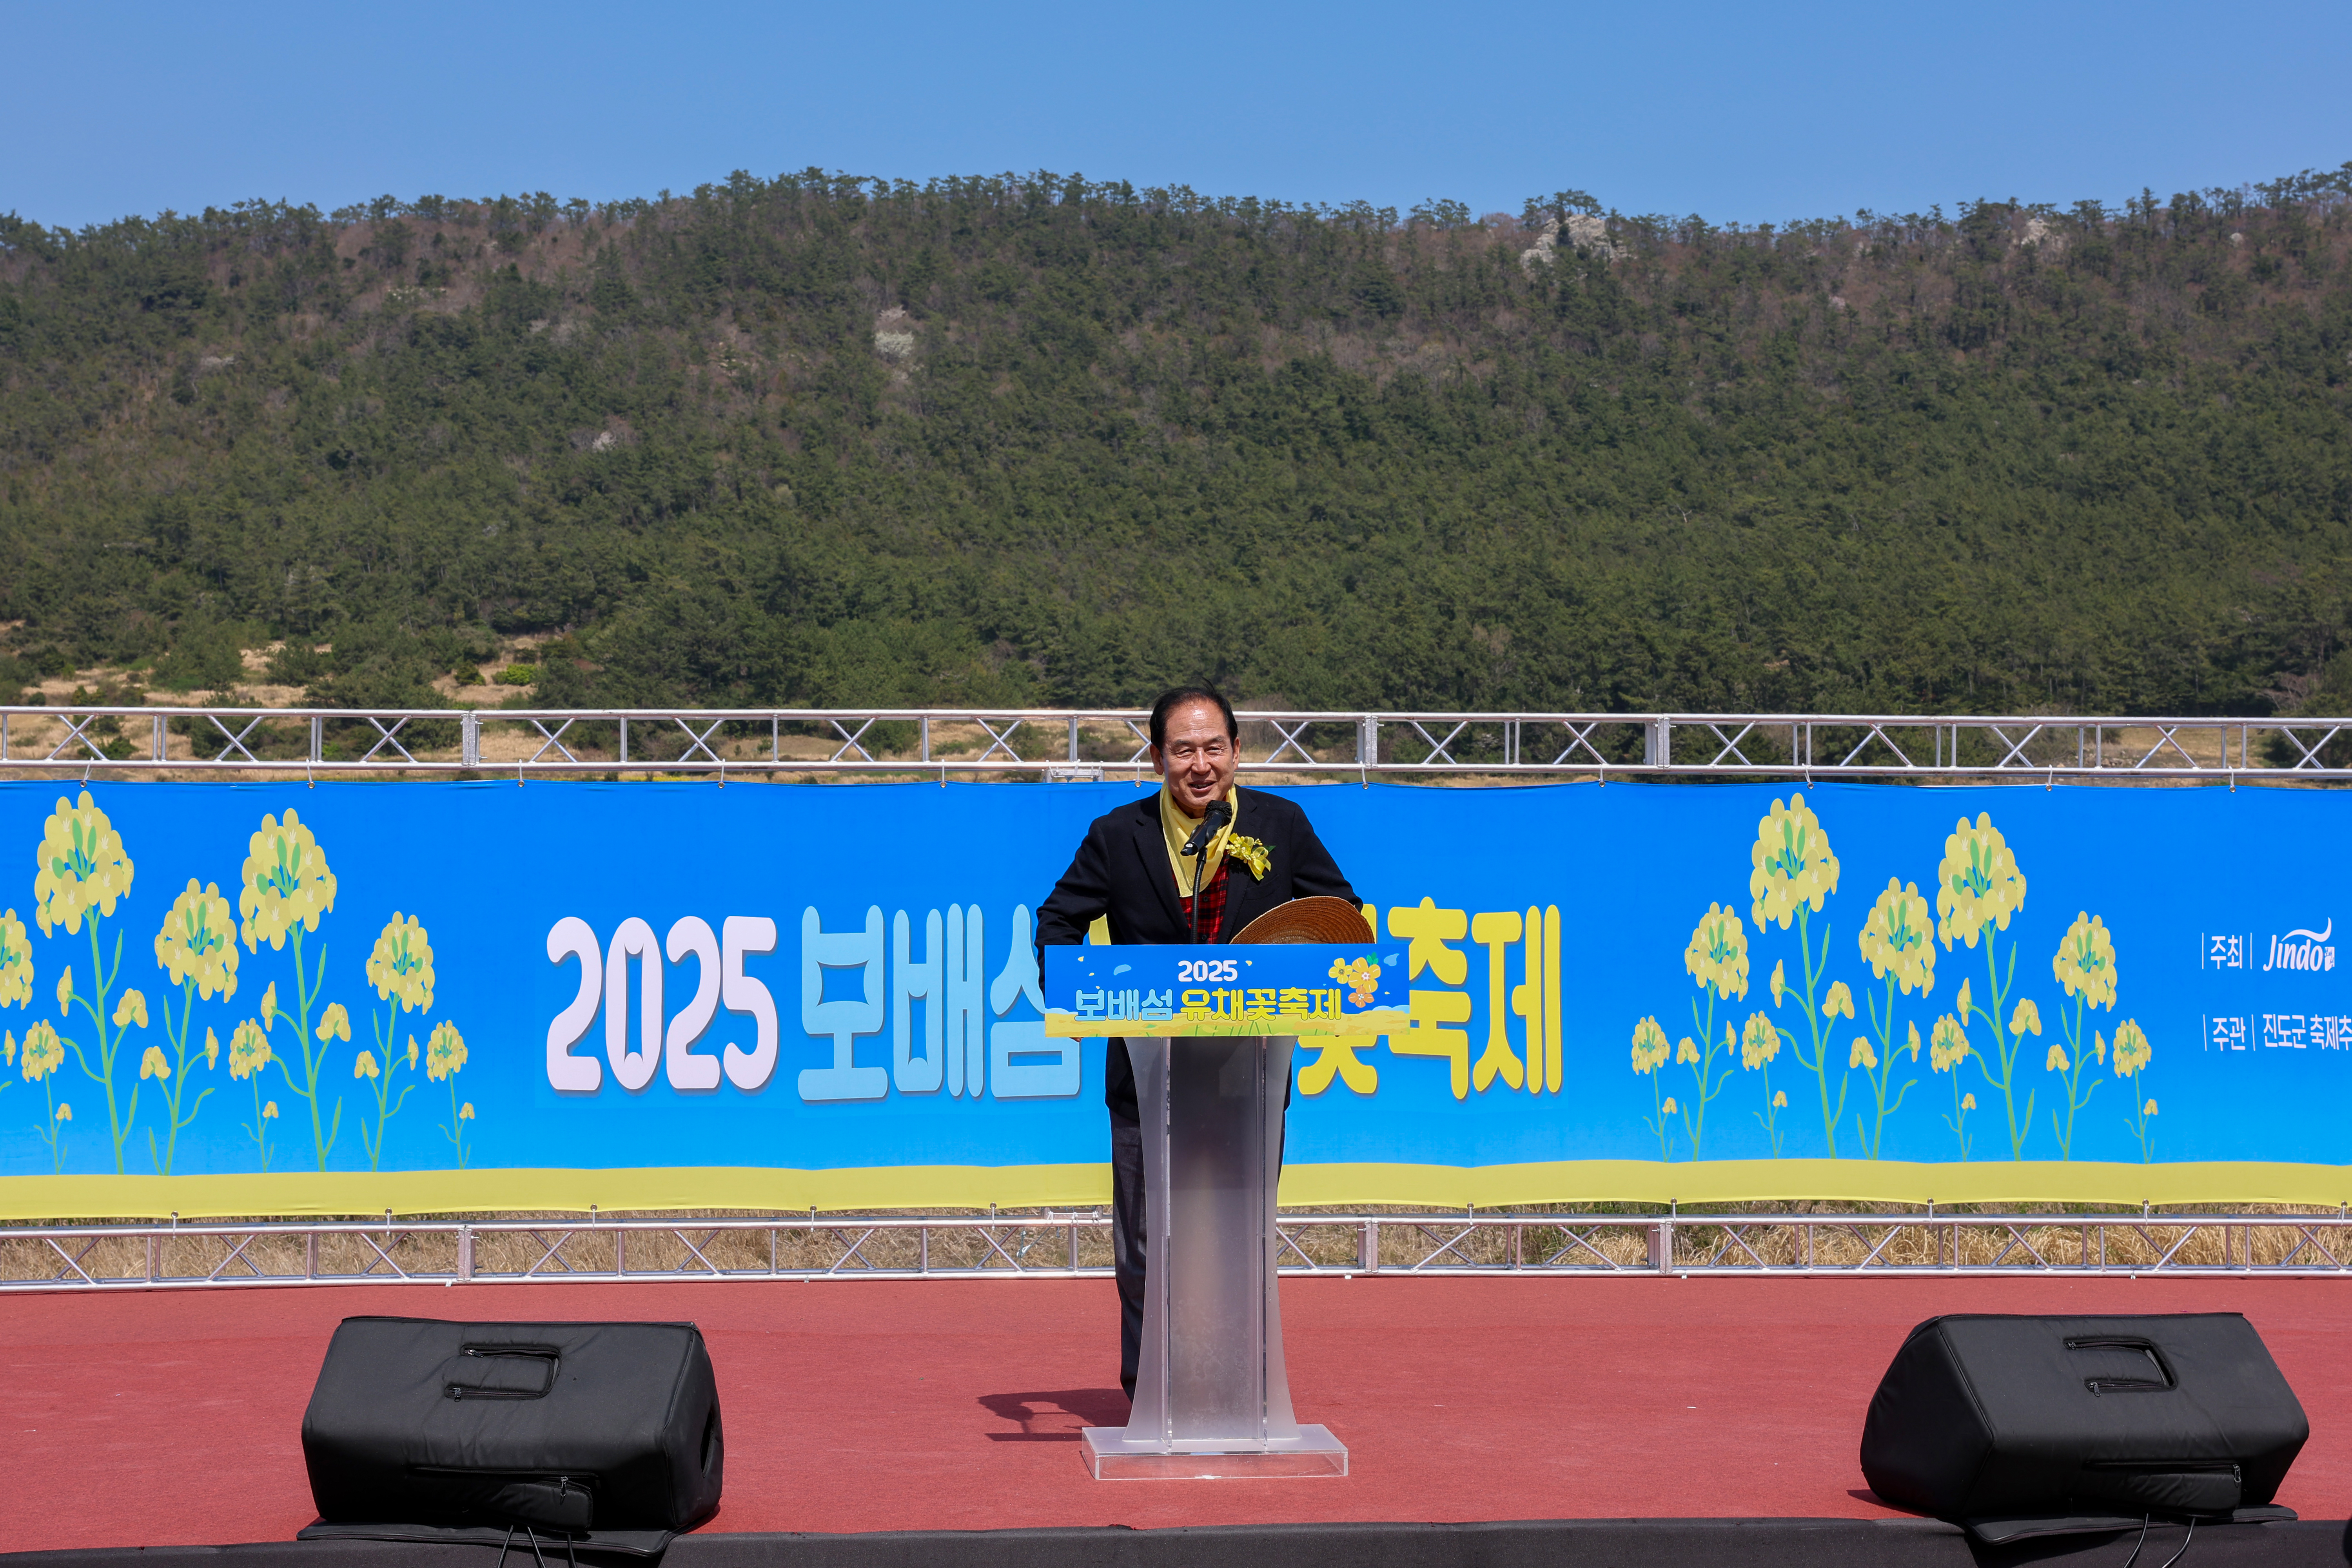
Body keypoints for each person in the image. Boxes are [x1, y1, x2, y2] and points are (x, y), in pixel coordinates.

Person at [1035, 685, 1359, 1401]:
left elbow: (1344, 918)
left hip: (1249, 1075)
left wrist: (1294, 965)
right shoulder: (1117, 836)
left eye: (1215, 748)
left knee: (1234, 1240)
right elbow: (1057, 923)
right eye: (1184, 750)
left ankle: (1233, 1386)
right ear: (1157, 757)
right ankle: (1150, 1388)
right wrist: (1082, 994)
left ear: (1238, 752)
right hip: (1147, 1080)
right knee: (1147, 1244)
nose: (1201, 764)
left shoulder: (1283, 825)